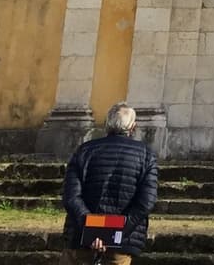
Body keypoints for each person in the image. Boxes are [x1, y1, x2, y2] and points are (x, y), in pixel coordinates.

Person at [62, 102, 159, 262]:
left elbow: (72, 197)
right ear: (133, 127)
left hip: (80, 240)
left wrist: (92, 232)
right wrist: (114, 234)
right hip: (121, 245)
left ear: (107, 125)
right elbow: (145, 202)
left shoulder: (84, 151)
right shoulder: (146, 155)